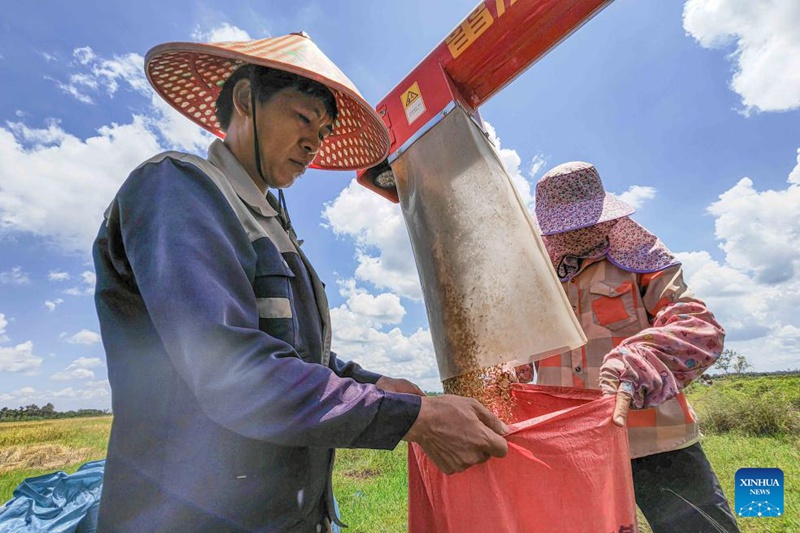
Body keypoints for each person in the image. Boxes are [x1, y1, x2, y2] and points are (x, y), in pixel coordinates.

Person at [93, 33, 508, 532]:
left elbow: (301, 359)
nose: (315, 141)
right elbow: (235, 372)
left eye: (324, 129)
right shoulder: (177, 189)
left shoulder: (272, 221)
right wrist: (414, 418)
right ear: (247, 100)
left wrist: (378, 385)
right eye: (303, 118)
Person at [532, 161, 739, 532]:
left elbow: (700, 328)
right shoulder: (540, 280)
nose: (573, 234)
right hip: (571, 447)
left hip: (656, 440)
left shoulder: (642, 262)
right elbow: (519, 351)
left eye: (581, 222)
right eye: (564, 227)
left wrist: (635, 359)